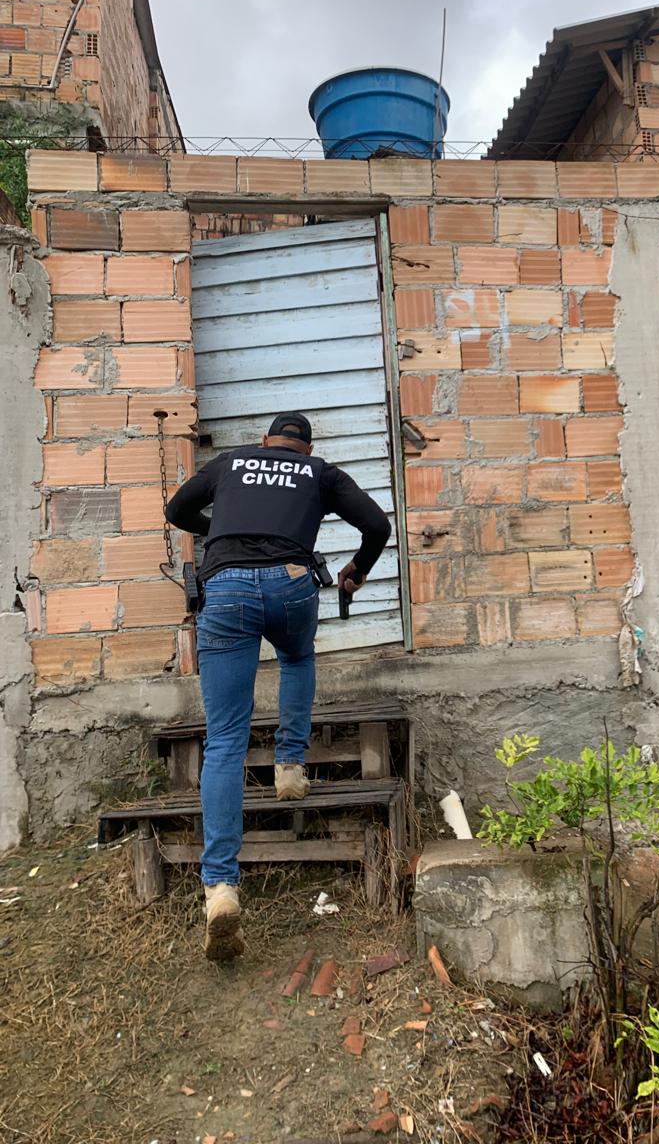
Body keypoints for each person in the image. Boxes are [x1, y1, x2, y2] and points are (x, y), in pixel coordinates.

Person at [165, 412, 391, 961]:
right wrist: (357, 571)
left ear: (267, 442)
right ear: (305, 447)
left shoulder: (230, 462)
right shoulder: (319, 473)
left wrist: (216, 533)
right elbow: (378, 525)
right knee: (295, 656)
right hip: (292, 585)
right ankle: (290, 768)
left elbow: (176, 509)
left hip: (225, 591)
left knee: (223, 740)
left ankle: (220, 886)